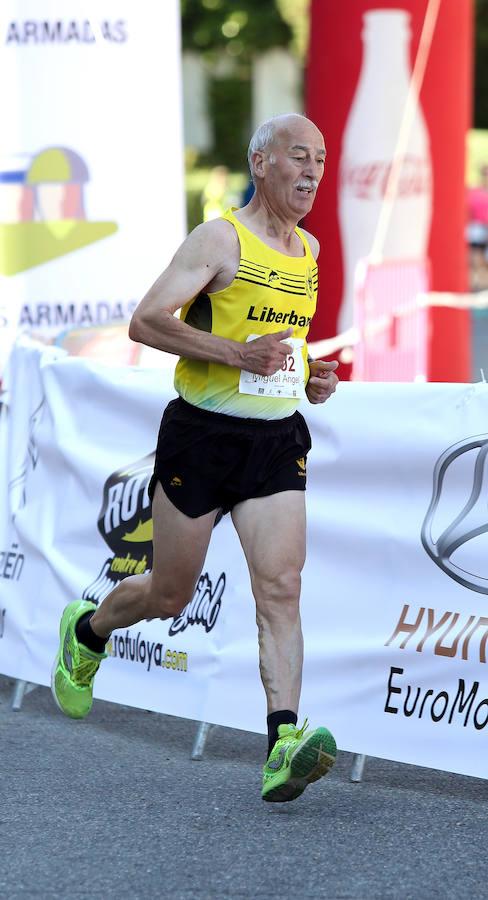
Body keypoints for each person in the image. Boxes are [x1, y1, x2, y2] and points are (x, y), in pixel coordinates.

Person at [51, 113, 340, 804]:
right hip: (202, 437)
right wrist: (238, 355)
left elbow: (281, 351)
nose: (312, 172)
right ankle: (88, 631)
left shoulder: (309, 251)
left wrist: (312, 376)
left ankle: (282, 744)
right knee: (168, 593)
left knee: (282, 587)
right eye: (298, 157)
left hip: (275, 440)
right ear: (260, 161)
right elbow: (146, 320)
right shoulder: (221, 238)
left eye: (321, 161)